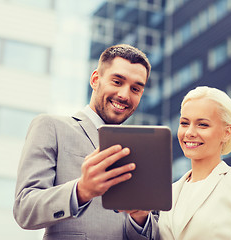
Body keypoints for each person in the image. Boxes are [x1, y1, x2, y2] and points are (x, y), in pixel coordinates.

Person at [13, 44, 159, 240]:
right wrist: (81, 190)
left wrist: (140, 218)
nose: (125, 95)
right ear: (95, 80)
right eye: (117, 81)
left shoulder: (146, 151)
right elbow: (25, 209)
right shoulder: (51, 127)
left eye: (135, 88)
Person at [158, 86, 231, 240]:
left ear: (227, 132)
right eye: (184, 123)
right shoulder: (169, 192)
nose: (189, 132)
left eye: (202, 124)